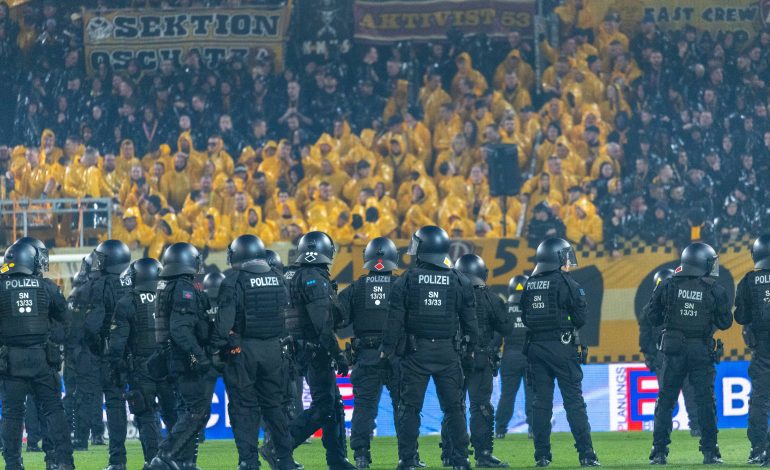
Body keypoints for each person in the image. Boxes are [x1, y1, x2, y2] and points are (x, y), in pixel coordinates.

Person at [380, 225, 479, 470]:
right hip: (448, 353)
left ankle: (408, 460)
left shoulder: (406, 280)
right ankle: (460, 460)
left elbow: (394, 321)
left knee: (409, 409)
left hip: (415, 354)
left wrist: (387, 350)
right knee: (455, 409)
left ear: (422, 248)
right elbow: (470, 322)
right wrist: (471, 349)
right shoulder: (460, 280)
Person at [267, 231, 356, 470]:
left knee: (334, 405)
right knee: (324, 405)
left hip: (294, 348)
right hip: (315, 350)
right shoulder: (314, 277)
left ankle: (337, 460)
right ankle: (279, 446)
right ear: (326, 252)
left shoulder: (288, 273)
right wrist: (338, 354)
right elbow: (322, 324)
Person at [215, 234, 299, 470]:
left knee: (244, 409)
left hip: (244, 351)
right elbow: (286, 317)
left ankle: (248, 461)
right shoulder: (278, 279)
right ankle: (285, 459)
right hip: (274, 350)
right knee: (275, 408)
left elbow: (223, 325)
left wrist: (216, 346)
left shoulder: (233, 281)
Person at [645, 242, 733, 465]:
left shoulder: (666, 285)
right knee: (704, 401)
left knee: (665, 400)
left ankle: (659, 452)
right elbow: (725, 322)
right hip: (700, 350)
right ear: (703, 262)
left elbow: (652, 316)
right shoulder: (714, 289)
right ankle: (710, 452)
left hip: (673, 349)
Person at [520, 238, 600, 467]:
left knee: (540, 403)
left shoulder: (530, 283)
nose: (568, 262)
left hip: (535, 348)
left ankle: (542, 456)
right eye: (565, 257)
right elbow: (581, 318)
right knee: (573, 402)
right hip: (562, 347)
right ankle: (586, 455)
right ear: (557, 258)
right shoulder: (568, 283)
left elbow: (525, 317)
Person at [0, 242, 75, 470]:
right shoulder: (47, 287)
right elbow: (66, 321)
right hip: (43, 359)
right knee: (54, 410)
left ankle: (13, 463)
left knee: (13, 414)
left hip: (10, 362)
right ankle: (61, 461)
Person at [336, 237, 404, 469]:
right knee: (403, 406)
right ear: (393, 258)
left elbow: (337, 318)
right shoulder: (402, 284)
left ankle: (361, 456)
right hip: (397, 355)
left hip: (366, 355)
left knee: (364, 407)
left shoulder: (356, 288)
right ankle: (408, 457)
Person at [442, 254, 512, 468]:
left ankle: (449, 454)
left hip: (453, 358)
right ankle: (482, 454)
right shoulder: (490, 298)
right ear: (482, 274)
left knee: (453, 407)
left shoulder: (449, 296)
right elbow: (507, 327)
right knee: (480, 407)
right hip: (480, 358)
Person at [108, 258, 178, 468]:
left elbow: (117, 343)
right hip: (168, 365)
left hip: (141, 368)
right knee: (174, 416)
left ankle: (154, 461)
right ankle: (180, 460)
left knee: (146, 415)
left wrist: (117, 367)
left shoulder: (127, 302)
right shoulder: (169, 297)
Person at [148, 243, 212, 470]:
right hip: (184, 359)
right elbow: (180, 330)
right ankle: (165, 456)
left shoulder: (168, 285)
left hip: (174, 357)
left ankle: (184, 462)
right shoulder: (183, 288)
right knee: (196, 409)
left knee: (189, 410)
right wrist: (198, 356)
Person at [83, 239, 132, 470]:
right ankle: (160, 458)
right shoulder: (135, 281)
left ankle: (117, 461)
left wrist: (96, 347)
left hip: (107, 354)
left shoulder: (99, 285)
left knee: (112, 404)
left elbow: (93, 326)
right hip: (136, 353)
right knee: (147, 408)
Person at [639, 268, 701, 437]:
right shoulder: (682, 305)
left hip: (665, 356)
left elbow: (645, 338)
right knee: (689, 391)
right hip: (678, 353)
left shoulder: (649, 309)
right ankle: (696, 426)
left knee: (667, 396)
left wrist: (650, 356)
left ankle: (663, 431)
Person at [734, 234, 770, 464]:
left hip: (763, 348)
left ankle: (758, 449)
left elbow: (741, 316)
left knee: (760, 398)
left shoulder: (748, 281)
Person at [69, 251, 107, 450]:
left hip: (81, 352)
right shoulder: (108, 288)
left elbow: (69, 329)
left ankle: (80, 438)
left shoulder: (77, 294)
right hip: (99, 351)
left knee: (82, 397)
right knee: (101, 396)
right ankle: (96, 436)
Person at [495, 275, 533, 440]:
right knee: (532, 394)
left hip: (509, 358)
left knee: (507, 395)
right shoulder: (533, 308)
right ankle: (533, 428)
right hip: (530, 357)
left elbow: (497, 337)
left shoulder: (504, 309)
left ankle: (500, 430)